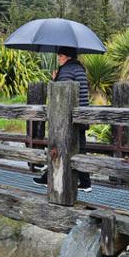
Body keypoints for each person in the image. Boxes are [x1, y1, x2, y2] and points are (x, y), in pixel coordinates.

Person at [33, 46, 92, 192]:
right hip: (82, 116)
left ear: (67, 57)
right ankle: (85, 182)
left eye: (60, 56)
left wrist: (54, 81)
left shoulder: (66, 71)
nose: (59, 58)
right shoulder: (79, 69)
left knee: (59, 147)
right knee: (80, 149)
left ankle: (49, 179)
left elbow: (60, 95)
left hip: (67, 118)